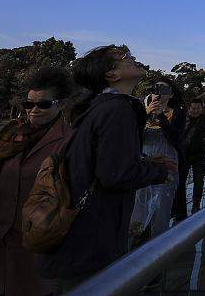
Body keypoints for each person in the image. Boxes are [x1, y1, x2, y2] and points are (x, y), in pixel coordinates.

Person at [38, 46, 176, 292]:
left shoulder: (102, 107)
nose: (133, 57)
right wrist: (159, 173)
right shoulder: (117, 109)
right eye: (125, 58)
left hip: (78, 235)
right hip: (92, 237)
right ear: (111, 75)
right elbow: (114, 175)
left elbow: (104, 163)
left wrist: (143, 163)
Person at [0, 66, 73, 296]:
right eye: (29, 104)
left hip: (35, 246)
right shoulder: (12, 136)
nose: (33, 110)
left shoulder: (69, 141)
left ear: (61, 104)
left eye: (43, 104)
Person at [130, 79, 186, 245]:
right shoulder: (141, 111)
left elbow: (176, 138)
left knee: (161, 210)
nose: (159, 93)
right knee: (138, 209)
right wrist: (145, 114)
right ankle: (134, 246)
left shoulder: (178, 113)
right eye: (156, 89)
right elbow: (132, 135)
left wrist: (161, 116)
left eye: (164, 89)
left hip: (167, 165)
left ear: (171, 94)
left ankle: (157, 249)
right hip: (143, 164)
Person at [176, 97, 205, 217]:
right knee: (181, 182)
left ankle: (195, 205)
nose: (195, 110)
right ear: (189, 108)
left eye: (198, 108)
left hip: (199, 155)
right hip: (184, 155)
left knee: (198, 181)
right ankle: (180, 209)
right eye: (193, 108)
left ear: (202, 108)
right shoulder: (183, 120)